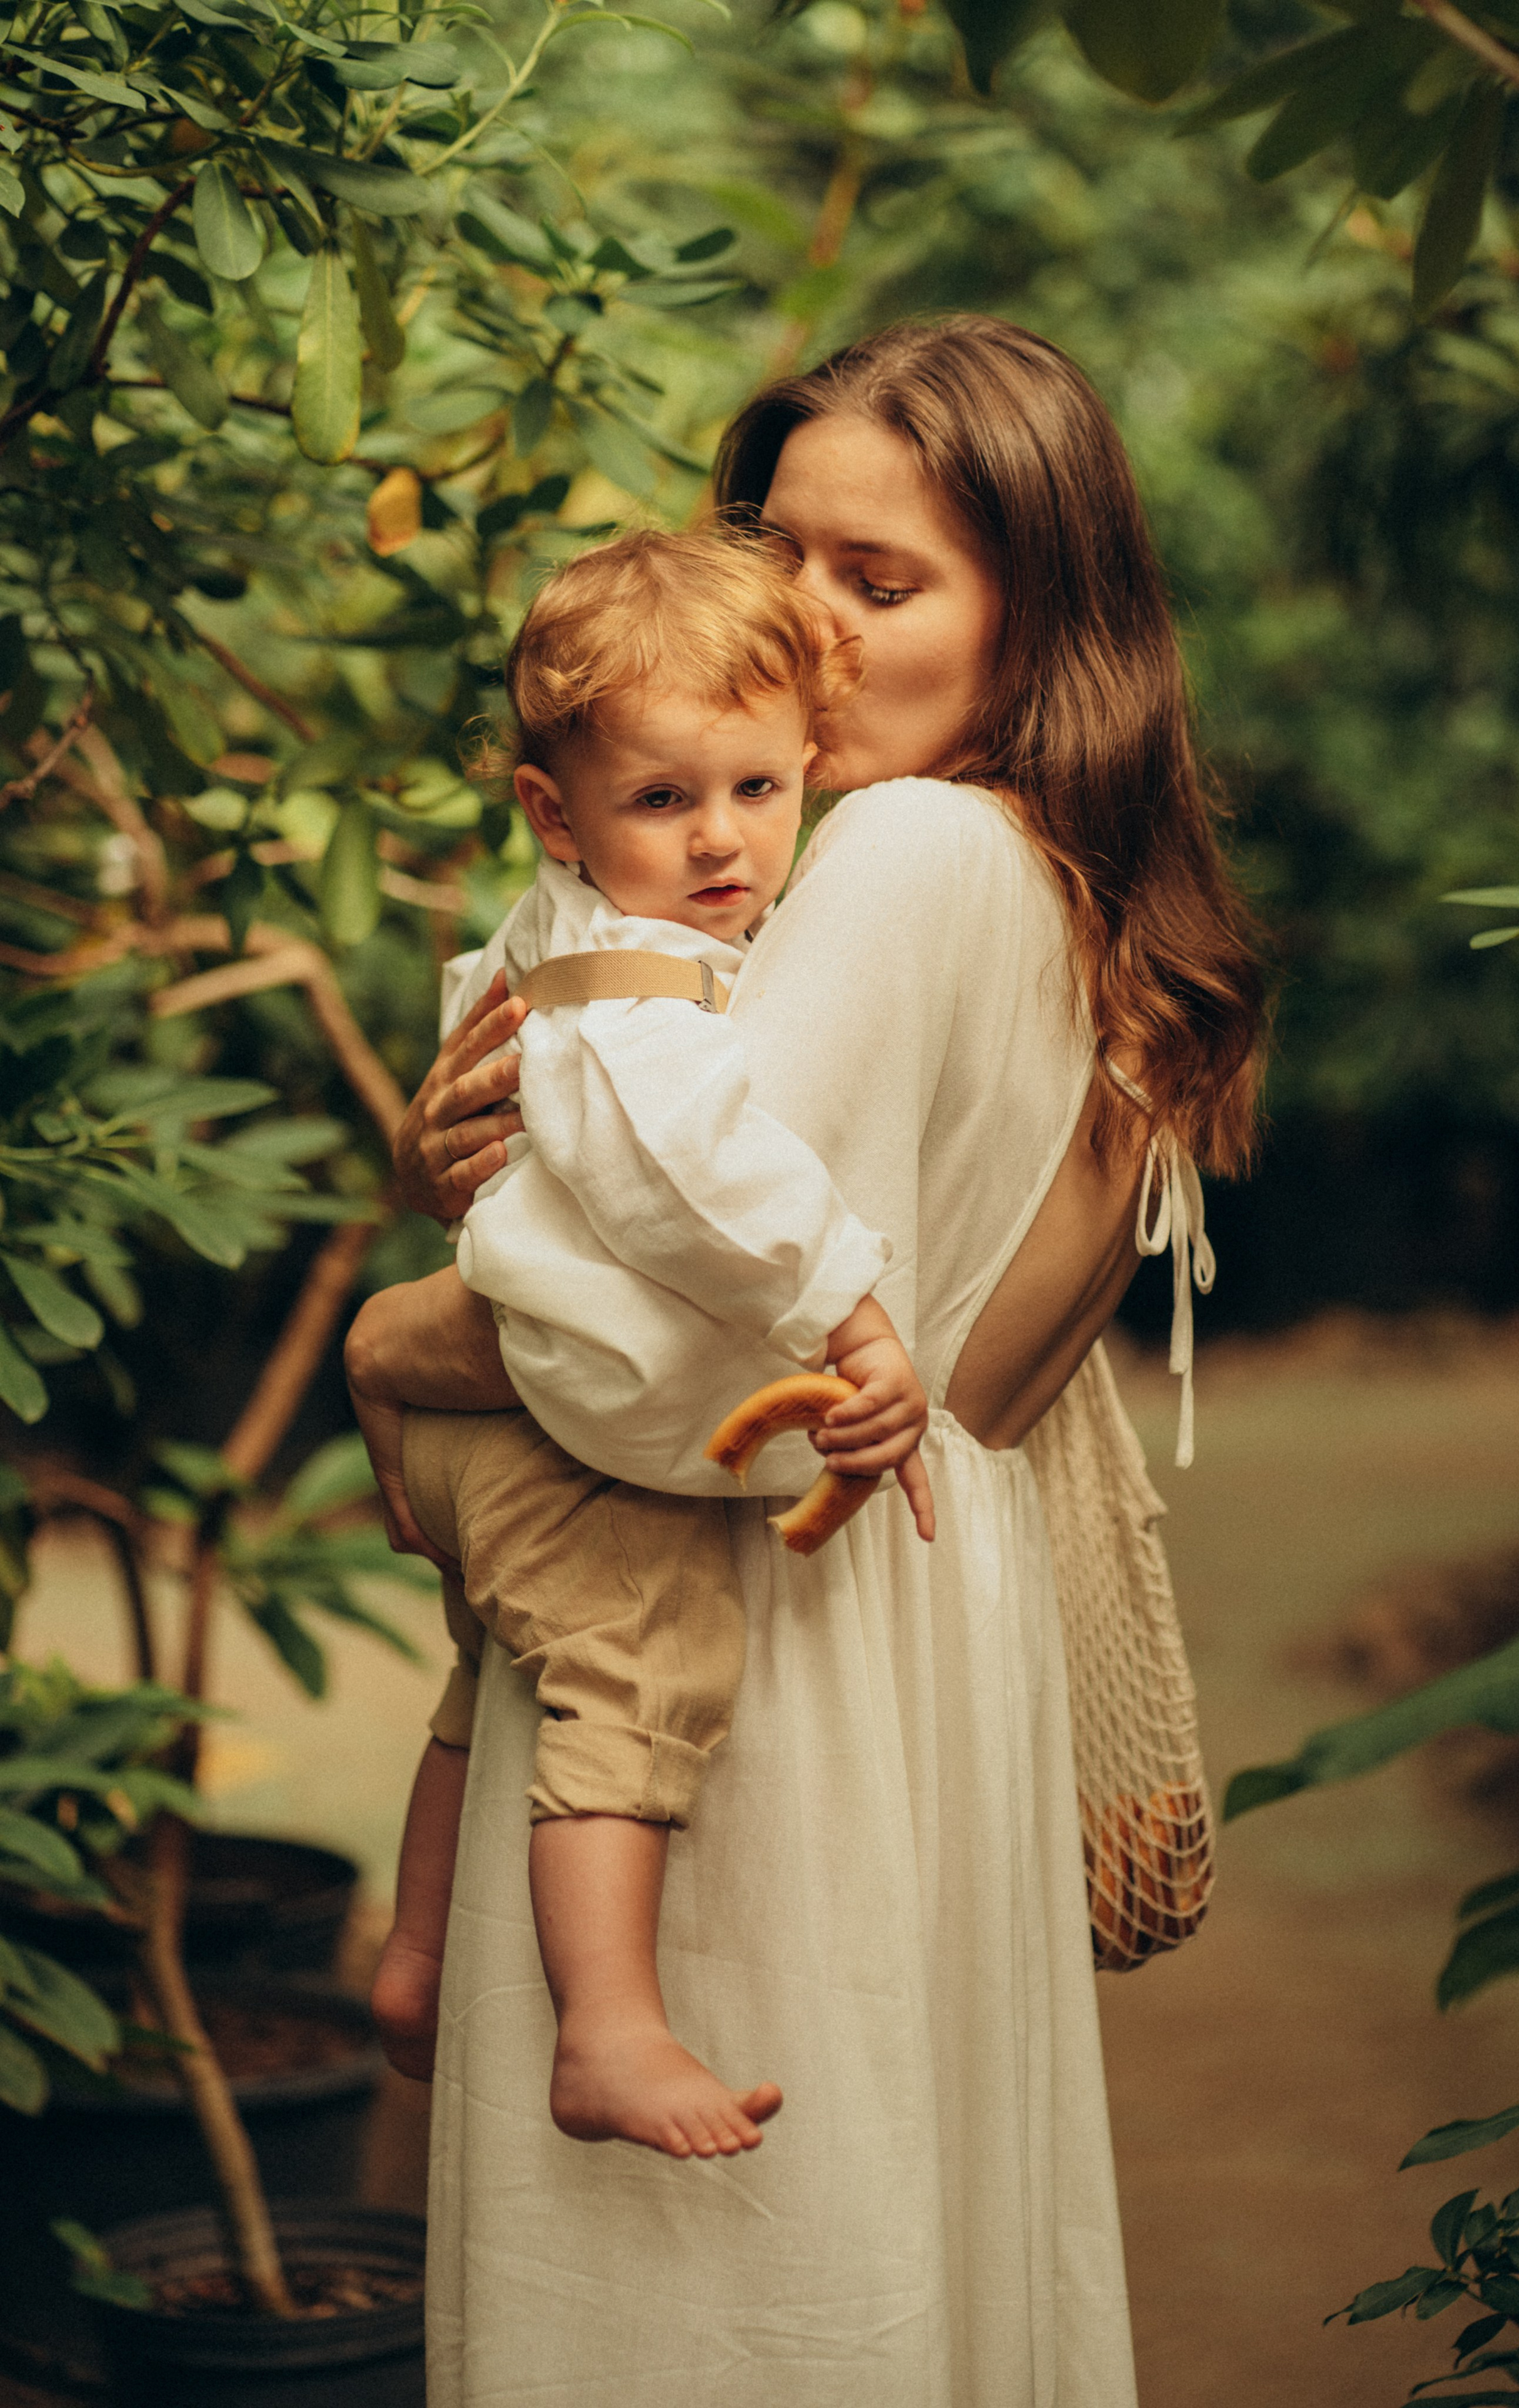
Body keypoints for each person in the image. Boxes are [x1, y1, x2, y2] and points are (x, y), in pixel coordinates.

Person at [373, 316, 1264, 2407]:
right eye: (785, 558)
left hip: (771, 1637)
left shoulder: (909, 853)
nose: (815, 628)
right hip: (884, 1614)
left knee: (711, 2311)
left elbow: (675, 1379)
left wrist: (410, 1325)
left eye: (887, 581)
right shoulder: (1009, 872)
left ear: (1042, 623)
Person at [346, 532, 934, 2162]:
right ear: (556, 813)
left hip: (492, 1390)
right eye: (665, 803)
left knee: (493, 1680)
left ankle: (415, 1962)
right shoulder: (639, 997)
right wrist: (851, 1305)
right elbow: (703, 1182)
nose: (725, 840)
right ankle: (606, 2028)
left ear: (808, 760)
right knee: (638, 1670)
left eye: (757, 789)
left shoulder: (558, 933)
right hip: (552, 1410)